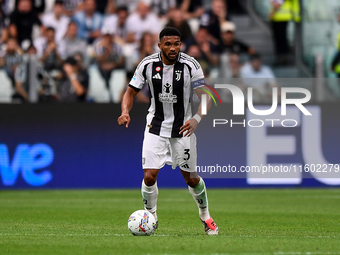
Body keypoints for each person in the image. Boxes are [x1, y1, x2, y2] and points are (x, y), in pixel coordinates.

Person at [117, 27, 219, 235]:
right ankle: (150, 217)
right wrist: (125, 111)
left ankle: (206, 216)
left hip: (183, 130)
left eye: (176, 44)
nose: (173, 48)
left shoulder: (191, 65)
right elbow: (130, 92)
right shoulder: (147, 64)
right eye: (168, 44)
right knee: (149, 176)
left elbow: (207, 97)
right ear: (160, 45)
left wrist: (197, 118)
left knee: (191, 178)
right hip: (155, 128)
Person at [269, 0, 300, 65]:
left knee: (281, 38)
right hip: (278, 16)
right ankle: (282, 57)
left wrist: (272, 12)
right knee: (280, 38)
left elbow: (278, 3)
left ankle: (283, 58)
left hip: (281, 16)